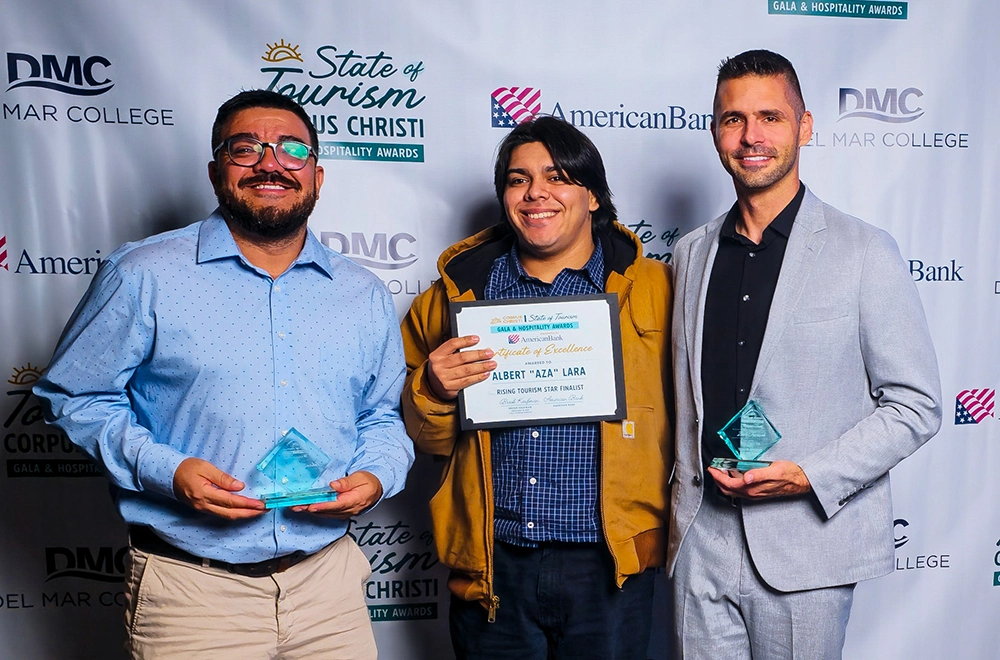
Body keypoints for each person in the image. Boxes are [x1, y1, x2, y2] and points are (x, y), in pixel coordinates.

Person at [33, 89, 414, 659]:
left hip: (329, 589)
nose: (270, 163)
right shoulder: (143, 273)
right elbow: (75, 396)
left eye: (292, 149)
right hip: (194, 593)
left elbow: (380, 416)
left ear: (316, 176)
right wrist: (166, 471)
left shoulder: (362, 293)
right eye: (246, 149)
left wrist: (378, 475)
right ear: (216, 172)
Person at [667, 49, 942, 659]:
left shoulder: (865, 251)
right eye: (733, 119)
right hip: (699, 540)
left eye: (770, 116)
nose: (751, 136)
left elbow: (915, 406)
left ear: (805, 126)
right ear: (715, 132)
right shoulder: (690, 254)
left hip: (805, 543)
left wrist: (808, 475)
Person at [400, 116, 672, 659]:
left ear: (593, 196)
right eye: (518, 179)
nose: (535, 193)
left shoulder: (658, 289)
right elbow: (422, 440)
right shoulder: (452, 299)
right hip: (493, 566)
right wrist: (431, 389)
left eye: (557, 177)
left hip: (611, 567)